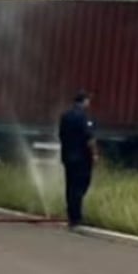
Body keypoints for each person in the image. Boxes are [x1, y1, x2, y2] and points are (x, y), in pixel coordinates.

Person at [57, 89, 97, 229]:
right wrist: (94, 155)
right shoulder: (83, 117)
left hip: (67, 156)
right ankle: (76, 217)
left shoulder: (65, 116)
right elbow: (89, 138)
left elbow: (61, 135)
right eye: (88, 100)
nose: (89, 103)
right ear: (84, 101)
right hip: (82, 158)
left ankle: (71, 215)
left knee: (70, 186)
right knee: (81, 186)